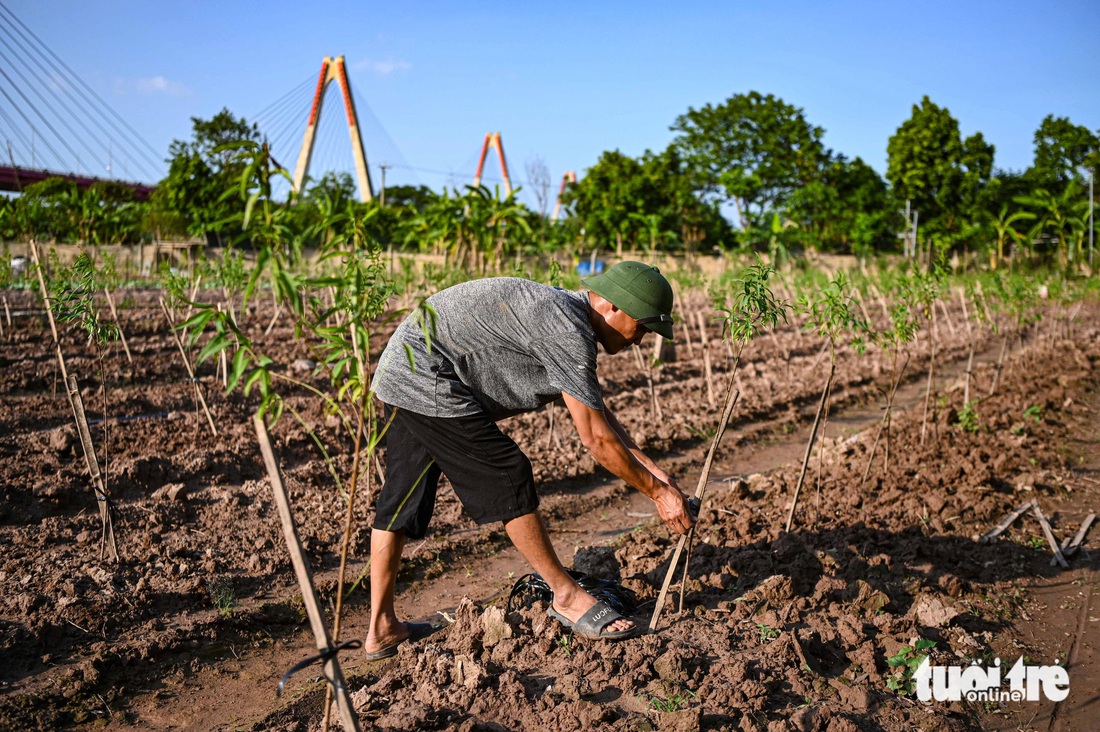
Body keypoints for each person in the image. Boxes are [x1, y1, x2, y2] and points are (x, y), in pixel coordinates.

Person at [364, 261, 694, 659]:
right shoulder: (568, 330)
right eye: (641, 327)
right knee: (506, 472)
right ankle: (567, 595)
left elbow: (601, 417)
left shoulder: (568, 318)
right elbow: (596, 440)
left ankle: (382, 628)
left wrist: (658, 475)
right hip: (427, 373)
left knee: (402, 499)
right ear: (611, 307)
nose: (640, 340)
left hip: (404, 368)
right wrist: (658, 495)